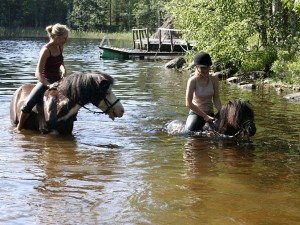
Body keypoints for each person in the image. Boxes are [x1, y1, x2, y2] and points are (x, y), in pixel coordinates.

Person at [16, 23, 70, 131]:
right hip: (46, 80)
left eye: (66, 38)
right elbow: (38, 73)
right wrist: (48, 85)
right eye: (64, 38)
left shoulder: (60, 46)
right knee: (28, 104)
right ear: (55, 36)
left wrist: (63, 70)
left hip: (59, 80)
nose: (66, 40)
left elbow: (61, 62)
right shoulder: (46, 50)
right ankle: (19, 128)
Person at [185, 51, 222, 132]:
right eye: (202, 68)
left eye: (207, 67)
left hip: (210, 113)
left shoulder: (214, 79)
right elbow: (188, 104)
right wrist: (205, 116)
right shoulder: (192, 81)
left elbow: (216, 98)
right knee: (189, 132)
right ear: (196, 67)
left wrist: (221, 112)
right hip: (196, 113)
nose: (205, 70)